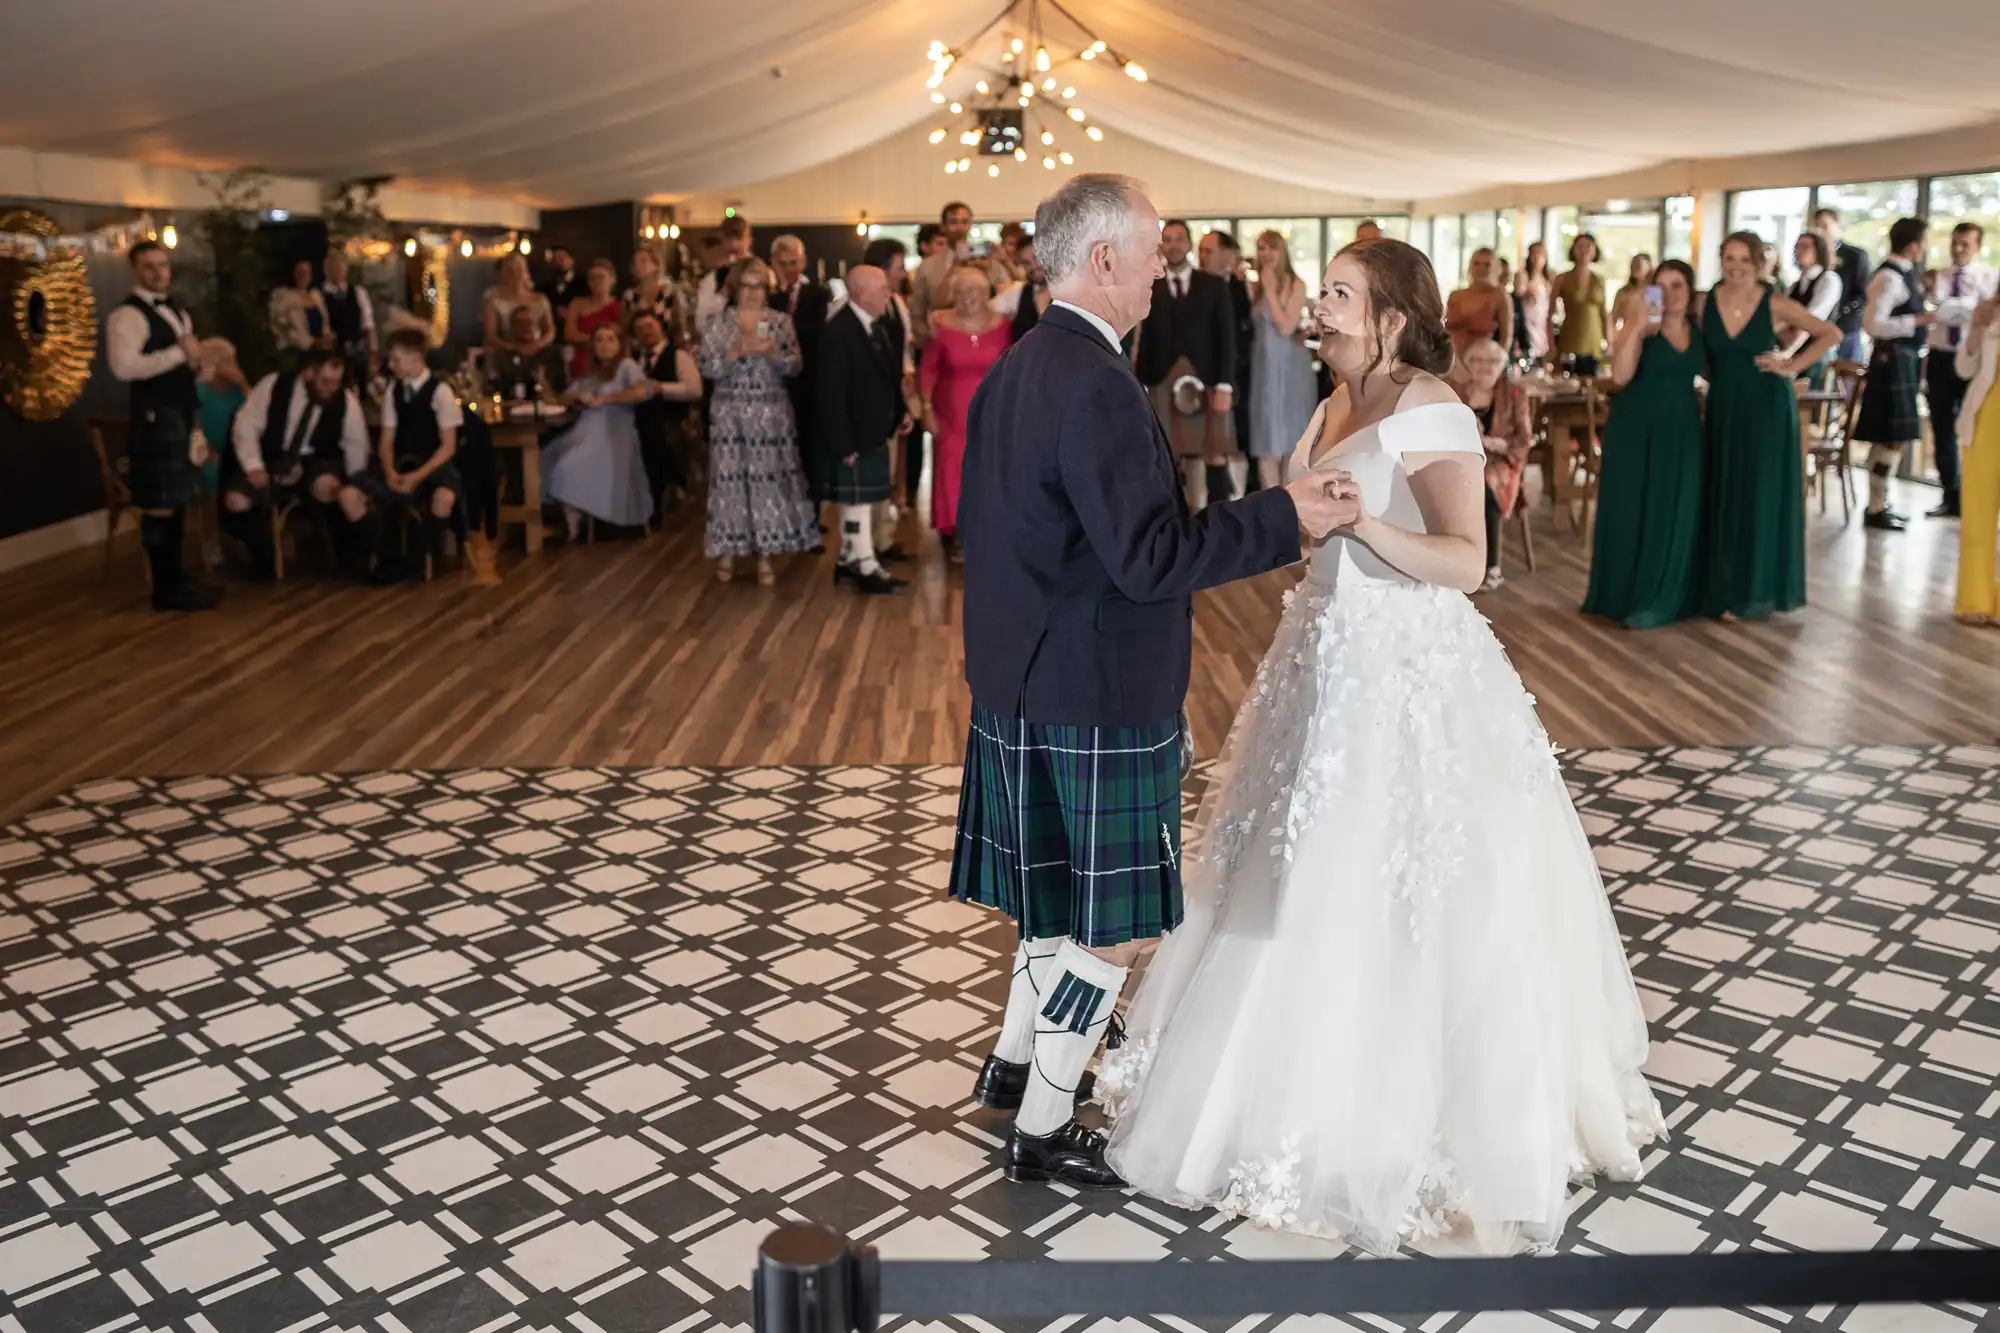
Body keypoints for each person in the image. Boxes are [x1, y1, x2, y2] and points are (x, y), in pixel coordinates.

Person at [1097, 235, 1665, 1254]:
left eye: (1340, 296)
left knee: (1401, 888)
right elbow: (1315, 514)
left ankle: (1401, 1123)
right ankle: (1267, 1090)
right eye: (1324, 294)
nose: (1319, 309)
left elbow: (1464, 560)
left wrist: (1363, 534)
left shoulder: (1429, 406)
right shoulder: (1329, 402)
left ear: (1394, 316)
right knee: (1289, 873)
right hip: (1320, 665)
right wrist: (1309, 547)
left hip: (1405, 679)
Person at [948, 173, 1360, 1192]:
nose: (1158, 269)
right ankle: (1043, 1124)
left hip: (1019, 673)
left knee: (1047, 896)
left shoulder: (1016, 367)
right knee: (1108, 921)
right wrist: (1284, 512)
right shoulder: (1093, 384)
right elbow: (1147, 557)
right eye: (1148, 252)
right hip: (1097, 679)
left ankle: (1010, 1062)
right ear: (1100, 261)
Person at [1695, 232, 1839, 620]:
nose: (1735, 265)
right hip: (1724, 404)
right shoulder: (1706, 300)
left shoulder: (1775, 302)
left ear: (1758, 262)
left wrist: (1791, 365)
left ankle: (1753, 589)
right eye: (1729, 257)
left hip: (1767, 406)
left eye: (1743, 258)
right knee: (1726, 491)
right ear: (1720, 260)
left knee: (1756, 493)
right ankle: (1723, 587)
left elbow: (1831, 333)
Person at [1581, 259, 1706, 627]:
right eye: (1660, 286)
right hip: (1636, 427)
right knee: (1633, 507)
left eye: (1677, 286)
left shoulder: (1698, 329)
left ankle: (1671, 592)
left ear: (1690, 291)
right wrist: (1637, 325)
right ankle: (1628, 595)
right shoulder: (1640, 329)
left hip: (1682, 427)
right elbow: (1620, 375)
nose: (1668, 294)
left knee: (1675, 507)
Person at [107, 240, 218, 611]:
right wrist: (177, 354)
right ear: (134, 271)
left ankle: (177, 579)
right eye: (149, 266)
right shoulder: (128, 316)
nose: (159, 273)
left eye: (163, 265)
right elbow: (123, 368)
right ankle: (164, 589)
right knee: (158, 504)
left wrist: (198, 369)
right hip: (156, 417)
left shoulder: (176, 311)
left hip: (182, 412)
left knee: (178, 498)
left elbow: (183, 361)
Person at [700, 256, 818, 585]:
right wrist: (734, 353)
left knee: (767, 483)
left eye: (759, 286)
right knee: (729, 481)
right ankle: (727, 551)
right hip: (729, 411)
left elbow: (795, 366)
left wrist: (771, 354)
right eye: (746, 286)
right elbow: (707, 368)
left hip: (770, 410)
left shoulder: (780, 322)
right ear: (735, 287)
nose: (752, 293)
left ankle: (766, 554)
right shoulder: (717, 323)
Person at [222, 348, 375, 581]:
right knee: (237, 500)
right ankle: (264, 558)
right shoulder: (274, 386)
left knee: (328, 488)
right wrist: (253, 465)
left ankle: (339, 557)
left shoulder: (345, 401)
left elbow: (357, 445)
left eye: (336, 382)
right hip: (271, 460)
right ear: (308, 373)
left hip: (315, 462)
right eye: (325, 381)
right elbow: (246, 425)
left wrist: (356, 484)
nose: (330, 389)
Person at [816, 265, 910, 596]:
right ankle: (865, 564)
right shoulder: (839, 331)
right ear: (860, 292)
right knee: (856, 502)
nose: (888, 293)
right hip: (853, 435)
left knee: (864, 500)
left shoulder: (875, 325)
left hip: (873, 429)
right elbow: (830, 393)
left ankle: (846, 560)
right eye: (882, 287)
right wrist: (843, 444)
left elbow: (888, 376)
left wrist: (899, 412)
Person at [1136, 218, 1238, 508]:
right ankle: (1177, 519)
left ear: (1190, 244)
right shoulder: (1149, 284)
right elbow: (1143, 336)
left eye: (1179, 238)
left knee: (1215, 450)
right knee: (1168, 453)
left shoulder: (1214, 285)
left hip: (1206, 377)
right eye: (1167, 239)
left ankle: (1223, 517)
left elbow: (1226, 337)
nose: (1173, 245)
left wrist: (1224, 385)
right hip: (1160, 377)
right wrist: (1140, 380)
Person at [1851, 217, 1939, 532]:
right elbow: (1873, 325)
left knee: (1891, 439)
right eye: (1924, 242)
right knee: (1890, 440)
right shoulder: (1888, 277)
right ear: (1914, 245)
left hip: (1901, 362)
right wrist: (1917, 321)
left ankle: (1879, 505)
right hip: (1892, 362)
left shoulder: (1903, 275)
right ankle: (1876, 507)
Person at [921, 266, 1012, 557]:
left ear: (985, 293)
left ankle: (988, 527)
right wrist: (925, 407)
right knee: (951, 467)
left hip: (993, 409)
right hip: (950, 411)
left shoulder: (1005, 325)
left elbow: (1015, 367)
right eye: (959, 292)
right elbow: (927, 369)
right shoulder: (941, 325)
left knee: (989, 467)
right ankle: (956, 532)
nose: (965, 297)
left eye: (972, 291)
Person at [362, 328, 463, 582]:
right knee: (364, 494)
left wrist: (418, 476)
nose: (392, 364)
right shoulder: (392, 393)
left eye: (396, 359)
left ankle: (421, 555)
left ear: (415, 357)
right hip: (401, 463)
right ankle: (387, 557)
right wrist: (389, 471)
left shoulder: (440, 392)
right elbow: (387, 440)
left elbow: (448, 446)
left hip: (432, 465)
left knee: (443, 498)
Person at [543, 323, 654, 539]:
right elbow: (564, 397)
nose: (604, 345)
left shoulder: (626, 366)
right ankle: (571, 517)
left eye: (610, 339)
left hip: (613, 430)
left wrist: (605, 399)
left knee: (570, 464)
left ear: (619, 343)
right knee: (547, 457)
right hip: (586, 427)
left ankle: (576, 520)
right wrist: (576, 397)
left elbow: (642, 391)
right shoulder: (590, 372)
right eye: (599, 340)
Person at [1449, 337, 1534, 592]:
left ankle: (1491, 567)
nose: (1485, 366)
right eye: (1478, 360)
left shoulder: (1515, 393)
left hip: (1501, 460)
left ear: (1502, 366)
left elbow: (1524, 439)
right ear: (1468, 364)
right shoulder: (1455, 391)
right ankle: (1452, 561)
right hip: (1462, 456)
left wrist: (1494, 443)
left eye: (1493, 361)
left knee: (1485, 483)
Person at [1924, 222, 1996, 519]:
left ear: (1978, 246)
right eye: (1954, 242)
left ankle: (1974, 494)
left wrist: (1951, 307)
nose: (1958, 248)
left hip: (1975, 358)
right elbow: (1934, 312)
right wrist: (1963, 307)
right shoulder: (1935, 276)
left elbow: (1979, 313)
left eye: (1965, 243)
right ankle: (1950, 495)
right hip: (1940, 358)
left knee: (1973, 426)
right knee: (1942, 427)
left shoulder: (1990, 278)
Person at [1248, 228, 1316, 492]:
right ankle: (1271, 507)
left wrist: (1269, 289)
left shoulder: (1295, 284)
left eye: (1271, 248)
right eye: (1261, 248)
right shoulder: (1253, 286)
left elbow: (1286, 326)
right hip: (1263, 367)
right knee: (1266, 441)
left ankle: (1292, 508)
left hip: (1289, 368)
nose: (1266, 254)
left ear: (1282, 251)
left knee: (1290, 440)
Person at [860, 236, 921, 520]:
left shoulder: (897, 303)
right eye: (899, 267)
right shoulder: (858, 308)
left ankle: (885, 529)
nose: (904, 273)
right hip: (870, 399)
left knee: (893, 460)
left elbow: (904, 346)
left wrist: (907, 371)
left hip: (894, 393)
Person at [767, 234, 831, 493]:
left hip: (807, 382)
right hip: (776, 382)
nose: (788, 270)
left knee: (807, 446)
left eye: (793, 263)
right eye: (782, 264)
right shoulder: (767, 297)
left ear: (803, 262)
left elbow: (815, 332)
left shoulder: (816, 294)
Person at [1954, 293, 2000, 624]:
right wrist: (1975, 327)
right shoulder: (1990, 311)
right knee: (1978, 511)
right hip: (1985, 417)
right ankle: (1975, 600)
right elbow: (1964, 368)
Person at [1203, 230, 1258, 484]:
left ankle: (1252, 486)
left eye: (1208, 251)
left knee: (1246, 431)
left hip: (1246, 370)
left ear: (1227, 254)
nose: (1202, 257)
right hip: (1208, 373)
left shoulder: (1241, 285)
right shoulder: (1195, 285)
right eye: (1201, 251)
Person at [632, 310, 701, 513]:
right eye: (639, 329)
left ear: (660, 328)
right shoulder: (636, 361)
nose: (645, 332)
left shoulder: (679, 356)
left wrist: (662, 388)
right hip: (638, 418)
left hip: (670, 417)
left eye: (649, 326)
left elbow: (695, 390)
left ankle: (669, 488)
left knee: (660, 434)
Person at [1812, 209, 1873, 364]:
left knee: (1846, 381)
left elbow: (1862, 294)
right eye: (1816, 226)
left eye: (1824, 225)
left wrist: (1839, 313)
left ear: (1838, 226)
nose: (1821, 231)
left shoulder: (1856, 255)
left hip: (1846, 329)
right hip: (1817, 330)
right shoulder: (1814, 258)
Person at [1783, 231, 1843, 387]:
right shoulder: (1794, 286)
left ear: (1818, 250)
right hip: (1794, 349)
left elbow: (1814, 318)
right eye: (1798, 246)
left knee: (1813, 401)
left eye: (1805, 246)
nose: (1799, 251)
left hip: (1818, 351)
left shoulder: (1829, 279)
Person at [1444, 246, 1513, 359]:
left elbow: (1506, 339)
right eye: (1476, 263)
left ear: (1496, 269)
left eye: (1487, 265)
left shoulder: (1499, 296)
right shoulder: (1455, 295)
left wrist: (1495, 366)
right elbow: (1444, 333)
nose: (1481, 268)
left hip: (1482, 363)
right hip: (1452, 362)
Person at [1552, 233, 1607, 375]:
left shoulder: (1599, 280)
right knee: (1569, 386)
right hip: (1570, 339)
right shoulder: (1562, 279)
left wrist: (1610, 342)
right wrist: (1551, 344)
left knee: (1592, 385)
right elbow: (1549, 314)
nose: (1584, 250)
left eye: (1588, 246)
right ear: (1573, 249)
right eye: (1580, 245)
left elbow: (1604, 314)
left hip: (1594, 341)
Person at [487, 305, 568, 400]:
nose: (525, 326)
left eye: (529, 322)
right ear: (512, 328)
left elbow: (561, 392)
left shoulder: (552, 354)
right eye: (519, 323)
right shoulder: (501, 356)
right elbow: (493, 391)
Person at [319, 248, 377, 381]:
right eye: (334, 267)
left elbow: (368, 323)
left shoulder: (357, 292)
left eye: (341, 267)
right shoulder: (319, 295)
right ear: (326, 269)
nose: (338, 271)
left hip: (357, 349)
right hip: (333, 352)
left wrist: (373, 350)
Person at [484, 254, 556, 359]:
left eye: (518, 269)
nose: (514, 273)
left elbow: (550, 331)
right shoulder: (494, 301)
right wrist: (513, 348)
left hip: (537, 354)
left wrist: (537, 345)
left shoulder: (539, 299)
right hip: (506, 355)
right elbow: (491, 335)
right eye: (510, 270)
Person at [562, 259, 625, 379]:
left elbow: (621, 337)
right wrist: (599, 340)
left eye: (600, 277)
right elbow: (569, 334)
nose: (596, 282)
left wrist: (595, 341)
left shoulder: (620, 307)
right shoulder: (577, 304)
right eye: (592, 278)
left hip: (610, 361)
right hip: (583, 359)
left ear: (612, 279)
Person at [269, 259, 331, 371]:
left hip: (319, 352)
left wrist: (326, 337)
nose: (303, 276)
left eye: (306, 272)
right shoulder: (282, 296)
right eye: (300, 272)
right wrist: (310, 342)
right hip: (295, 353)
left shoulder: (315, 295)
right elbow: (282, 327)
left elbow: (325, 321)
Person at [696, 217, 754, 324]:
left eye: (738, 238)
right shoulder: (714, 278)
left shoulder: (765, 274)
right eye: (728, 239)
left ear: (749, 240)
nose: (733, 244)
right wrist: (725, 292)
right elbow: (701, 321)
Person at [622, 247, 677, 331]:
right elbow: (624, 327)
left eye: (643, 261)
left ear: (656, 265)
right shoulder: (629, 296)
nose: (638, 266)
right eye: (635, 262)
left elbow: (678, 324)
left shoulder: (668, 292)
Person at [1516, 240, 1553, 363]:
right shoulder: (1523, 276)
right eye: (1534, 254)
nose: (1537, 258)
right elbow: (1518, 298)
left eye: (1541, 254)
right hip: (1529, 324)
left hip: (1543, 324)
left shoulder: (1548, 279)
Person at [1609, 252, 1655, 336]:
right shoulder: (1623, 293)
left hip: (1649, 341)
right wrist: (1613, 340)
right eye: (1633, 265)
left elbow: (1655, 323)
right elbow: (1612, 320)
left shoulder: (1654, 293)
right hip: (1627, 339)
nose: (1635, 267)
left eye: (1638, 264)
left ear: (1649, 266)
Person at [539, 246, 586, 319]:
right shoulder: (545, 286)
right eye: (555, 259)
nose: (559, 262)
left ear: (571, 260)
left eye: (562, 258)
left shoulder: (584, 283)